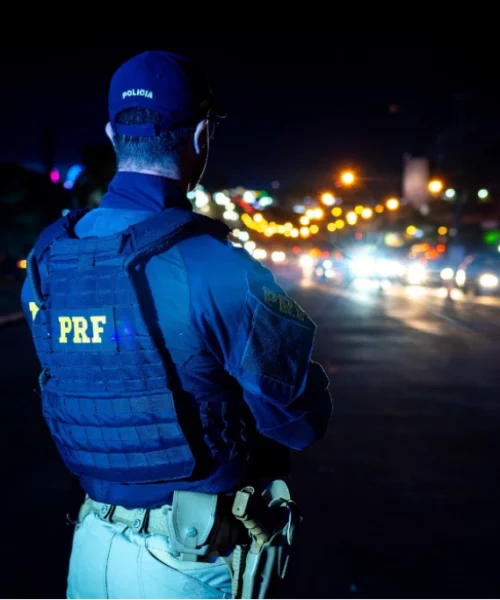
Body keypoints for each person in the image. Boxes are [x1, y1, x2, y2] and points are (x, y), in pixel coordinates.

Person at [21, 50, 333, 599]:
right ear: (199, 138)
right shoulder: (216, 267)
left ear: (113, 135)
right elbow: (298, 420)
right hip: (186, 561)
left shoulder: (50, 255)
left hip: (91, 548)